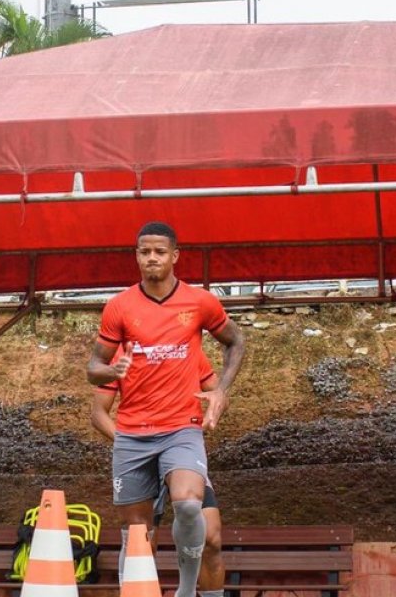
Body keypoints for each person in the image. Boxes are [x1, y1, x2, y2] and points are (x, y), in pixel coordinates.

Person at [86, 221, 246, 597]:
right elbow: (94, 372)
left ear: (175, 255)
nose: (152, 258)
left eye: (160, 251)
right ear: (136, 256)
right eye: (145, 251)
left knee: (192, 509)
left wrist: (219, 394)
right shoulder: (119, 309)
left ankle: (187, 591)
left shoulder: (200, 303)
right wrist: (110, 370)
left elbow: (235, 342)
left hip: (180, 430)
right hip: (134, 437)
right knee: (137, 536)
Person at [90, 345, 225, 596]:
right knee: (139, 538)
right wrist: (129, 444)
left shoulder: (185, 347)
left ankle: (188, 592)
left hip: (180, 454)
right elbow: (98, 414)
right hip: (141, 455)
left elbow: (217, 392)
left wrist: (197, 428)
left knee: (212, 538)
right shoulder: (123, 353)